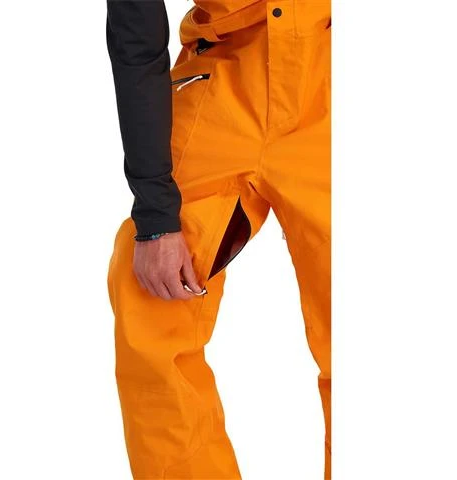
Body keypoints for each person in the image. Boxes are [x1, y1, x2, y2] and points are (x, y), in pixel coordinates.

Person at [106, 0, 331, 478]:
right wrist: (156, 217)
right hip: (225, 68)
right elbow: (135, 36)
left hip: (331, 65)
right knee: (149, 299)